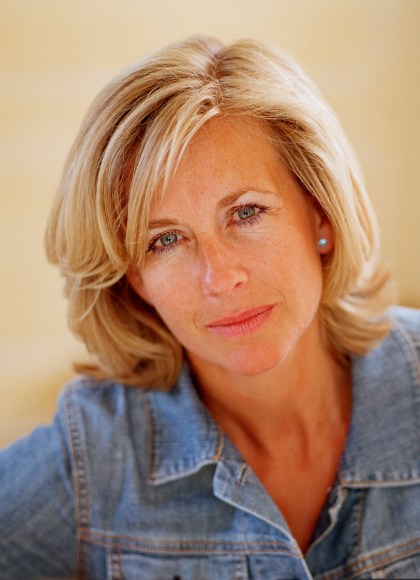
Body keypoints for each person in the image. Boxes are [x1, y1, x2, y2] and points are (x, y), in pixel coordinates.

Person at [1, 35, 419, 580]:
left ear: (320, 214)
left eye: (246, 212)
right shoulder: (94, 455)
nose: (220, 278)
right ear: (135, 279)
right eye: (166, 241)